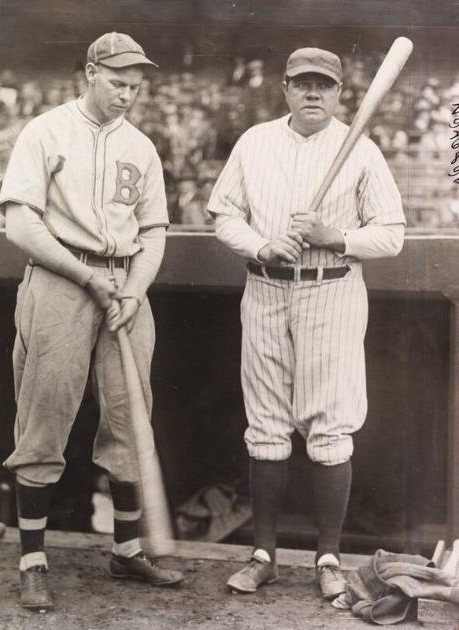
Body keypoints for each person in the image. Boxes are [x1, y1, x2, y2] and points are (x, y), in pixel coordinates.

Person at [208, 47, 405, 599]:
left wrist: (334, 237)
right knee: (266, 425)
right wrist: (262, 244)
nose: (313, 93)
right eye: (302, 84)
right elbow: (223, 212)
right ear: (286, 89)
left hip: (332, 289)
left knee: (329, 428)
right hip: (266, 286)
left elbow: (391, 234)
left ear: (340, 93)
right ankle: (264, 555)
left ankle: (328, 558)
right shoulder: (254, 142)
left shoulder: (361, 148)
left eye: (324, 84)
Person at [0, 32, 184, 611]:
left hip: (125, 286)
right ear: (90, 73)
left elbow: (154, 231)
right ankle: (32, 561)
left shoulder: (143, 146)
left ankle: (126, 549)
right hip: (60, 279)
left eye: (135, 85)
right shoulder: (45, 131)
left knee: (131, 416)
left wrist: (135, 287)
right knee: (45, 414)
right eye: (118, 82)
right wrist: (85, 278)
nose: (128, 94)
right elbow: (20, 225)